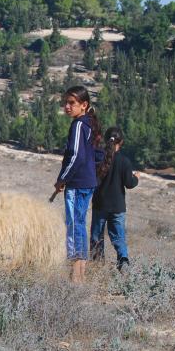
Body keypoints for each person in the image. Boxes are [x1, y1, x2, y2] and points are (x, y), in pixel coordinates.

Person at [54, 86, 101, 283]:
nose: (67, 106)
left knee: (73, 225)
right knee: (80, 224)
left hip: (77, 183)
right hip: (87, 181)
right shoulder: (89, 124)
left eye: (72, 103)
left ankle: (75, 275)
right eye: (66, 102)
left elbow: (75, 156)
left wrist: (62, 178)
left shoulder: (79, 125)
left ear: (84, 105)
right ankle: (80, 272)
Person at [90, 126, 139, 271]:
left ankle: (96, 266)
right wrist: (136, 178)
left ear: (106, 140)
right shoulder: (125, 161)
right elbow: (129, 184)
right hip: (118, 206)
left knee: (97, 237)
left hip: (100, 204)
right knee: (118, 237)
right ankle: (123, 261)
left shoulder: (98, 158)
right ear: (121, 142)